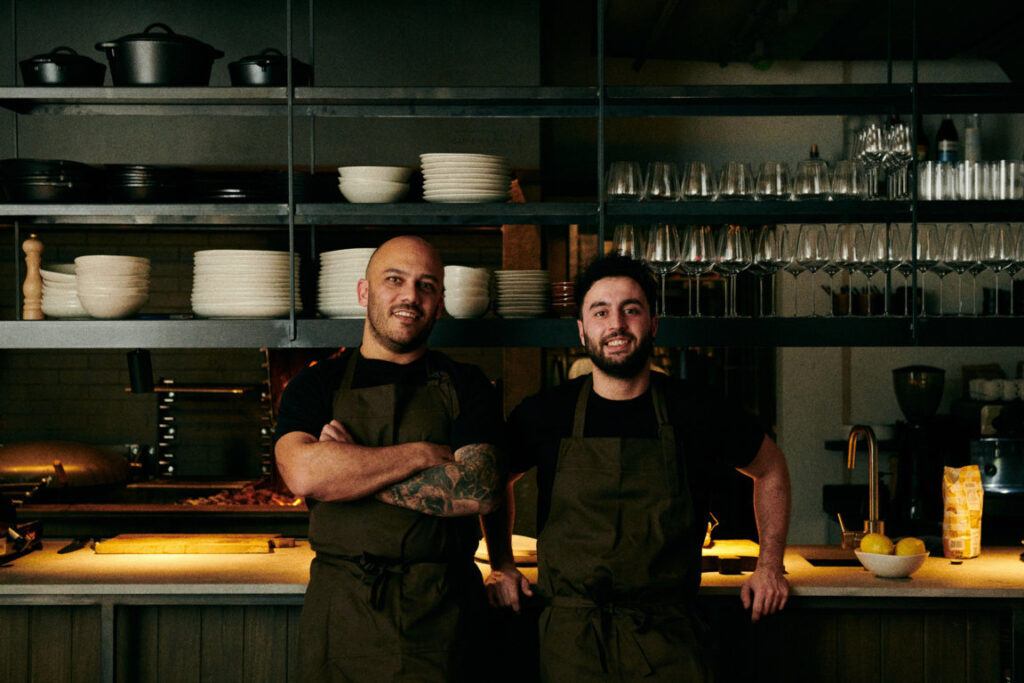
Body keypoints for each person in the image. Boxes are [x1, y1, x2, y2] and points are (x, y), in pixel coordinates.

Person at [483, 255, 791, 681]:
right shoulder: (546, 412)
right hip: (571, 641)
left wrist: (769, 567)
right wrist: (501, 562)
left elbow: (771, 469)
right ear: (582, 330)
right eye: (600, 312)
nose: (617, 324)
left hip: (670, 638)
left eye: (631, 309)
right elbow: (493, 481)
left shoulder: (697, 408)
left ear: (654, 323)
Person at [275, 235, 504, 682]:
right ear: (364, 292)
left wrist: (346, 469)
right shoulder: (316, 384)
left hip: (446, 615)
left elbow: (479, 490)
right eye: (394, 280)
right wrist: (421, 454)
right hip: (343, 615)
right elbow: (302, 474)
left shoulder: (467, 384)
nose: (410, 296)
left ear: (439, 304)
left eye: (426, 285)